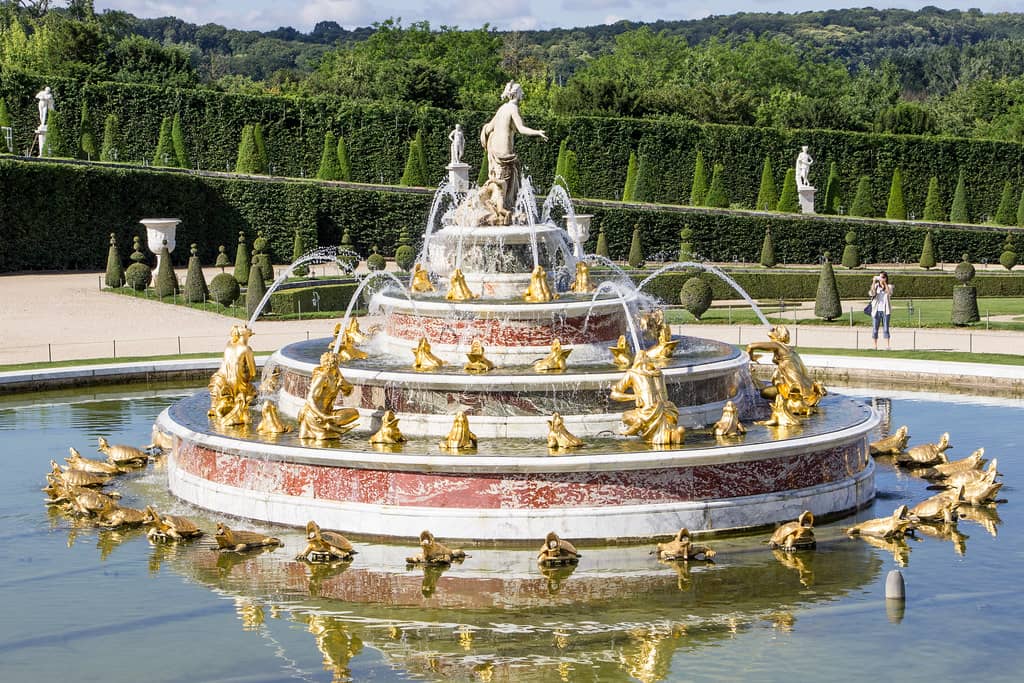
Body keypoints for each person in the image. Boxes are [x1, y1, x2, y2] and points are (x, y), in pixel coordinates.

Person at [479, 81, 547, 213]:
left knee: (501, 180)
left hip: (496, 150)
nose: (523, 94)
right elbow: (521, 129)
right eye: (521, 91)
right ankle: (501, 209)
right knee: (505, 181)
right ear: (517, 94)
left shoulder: (502, 108)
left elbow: (488, 128)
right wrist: (537, 132)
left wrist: (488, 141)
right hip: (505, 151)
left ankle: (500, 207)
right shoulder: (513, 108)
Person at [869, 271, 894, 350]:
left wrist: (885, 284)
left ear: (886, 278)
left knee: (886, 328)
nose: (881, 279)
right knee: (875, 329)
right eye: (880, 277)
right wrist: (874, 281)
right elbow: (872, 293)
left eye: (882, 277)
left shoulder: (889, 286)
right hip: (876, 310)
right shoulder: (876, 286)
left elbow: (889, 293)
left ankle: (887, 346)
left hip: (885, 311)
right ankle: (875, 346)